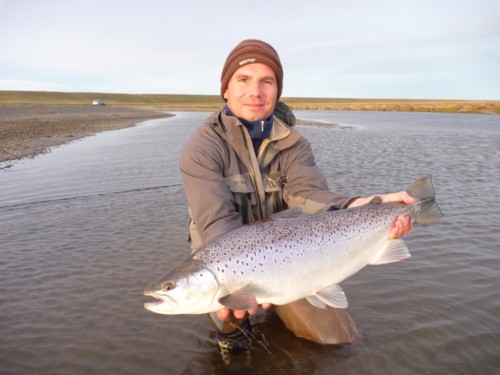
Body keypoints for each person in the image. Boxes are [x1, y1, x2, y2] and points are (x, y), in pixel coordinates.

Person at [179, 39, 414, 362]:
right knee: (230, 327)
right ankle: (235, 337)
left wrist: (369, 204)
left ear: (277, 91)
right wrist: (241, 285)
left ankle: (284, 309)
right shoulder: (202, 147)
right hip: (220, 260)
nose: (255, 91)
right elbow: (216, 222)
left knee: (335, 338)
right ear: (225, 90)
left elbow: (310, 197)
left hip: (293, 253)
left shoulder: (295, 144)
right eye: (243, 80)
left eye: (266, 81)